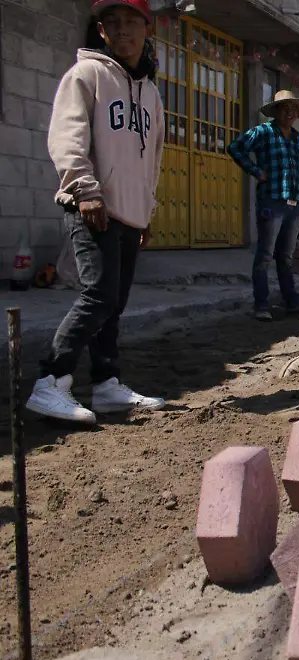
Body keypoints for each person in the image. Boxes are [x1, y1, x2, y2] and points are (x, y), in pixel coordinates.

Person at [25, 0, 166, 425]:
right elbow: (68, 136)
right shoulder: (85, 75)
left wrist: (146, 211)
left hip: (129, 212)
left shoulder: (152, 94)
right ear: (100, 31)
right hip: (93, 206)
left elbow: (152, 158)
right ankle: (50, 380)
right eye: (112, 23)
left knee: (114, 302)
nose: (122, 30)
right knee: (98, 295)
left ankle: (106, 385)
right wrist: (85, 190)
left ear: (147, 29)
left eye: (131, 22)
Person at [227, 90, 299, 322]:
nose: (290, 112)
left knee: (286, 257)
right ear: (276, 111)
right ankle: (261, 304)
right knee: (265, 256)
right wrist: (256, 171)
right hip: (271, 202)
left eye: (293, 108)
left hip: (294, 207)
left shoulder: (298, 141)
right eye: (285, 108)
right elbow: (236, 148)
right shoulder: (263, 132)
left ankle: (292, 303)